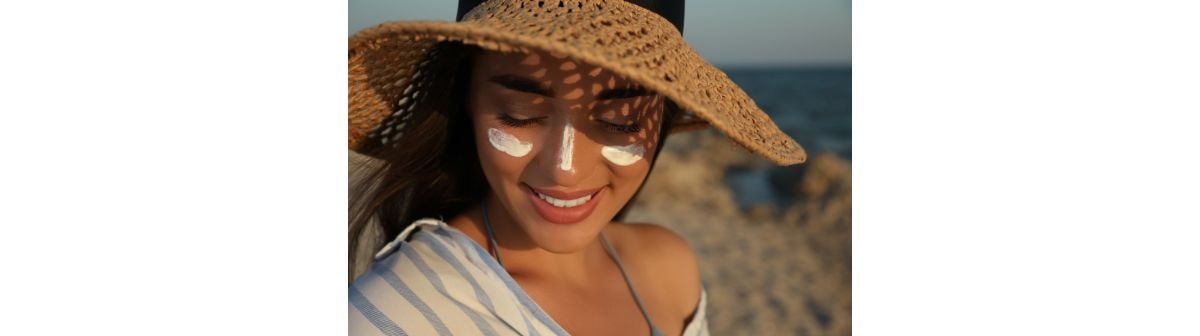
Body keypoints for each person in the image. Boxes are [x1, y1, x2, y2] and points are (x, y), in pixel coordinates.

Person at [348, 0, 806, 335]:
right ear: (464, 99)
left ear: (663, 115)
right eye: (519, 114)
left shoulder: (672, 269)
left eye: (620, 122)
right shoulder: (393, 315)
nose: (565, 170)